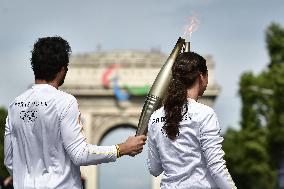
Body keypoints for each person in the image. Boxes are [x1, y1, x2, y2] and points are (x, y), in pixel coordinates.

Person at [4, 36, 147, 189]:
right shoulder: (64, 102)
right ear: (62, 69)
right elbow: (79, 154)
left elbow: (9, 160)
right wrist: (122, 148)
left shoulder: (15, 106)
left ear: (34, 67)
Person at [147, 52, 236, 189]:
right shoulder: (205, 114)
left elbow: (154, 169)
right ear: (202, 77)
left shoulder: (155, 117)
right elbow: (217, 168)